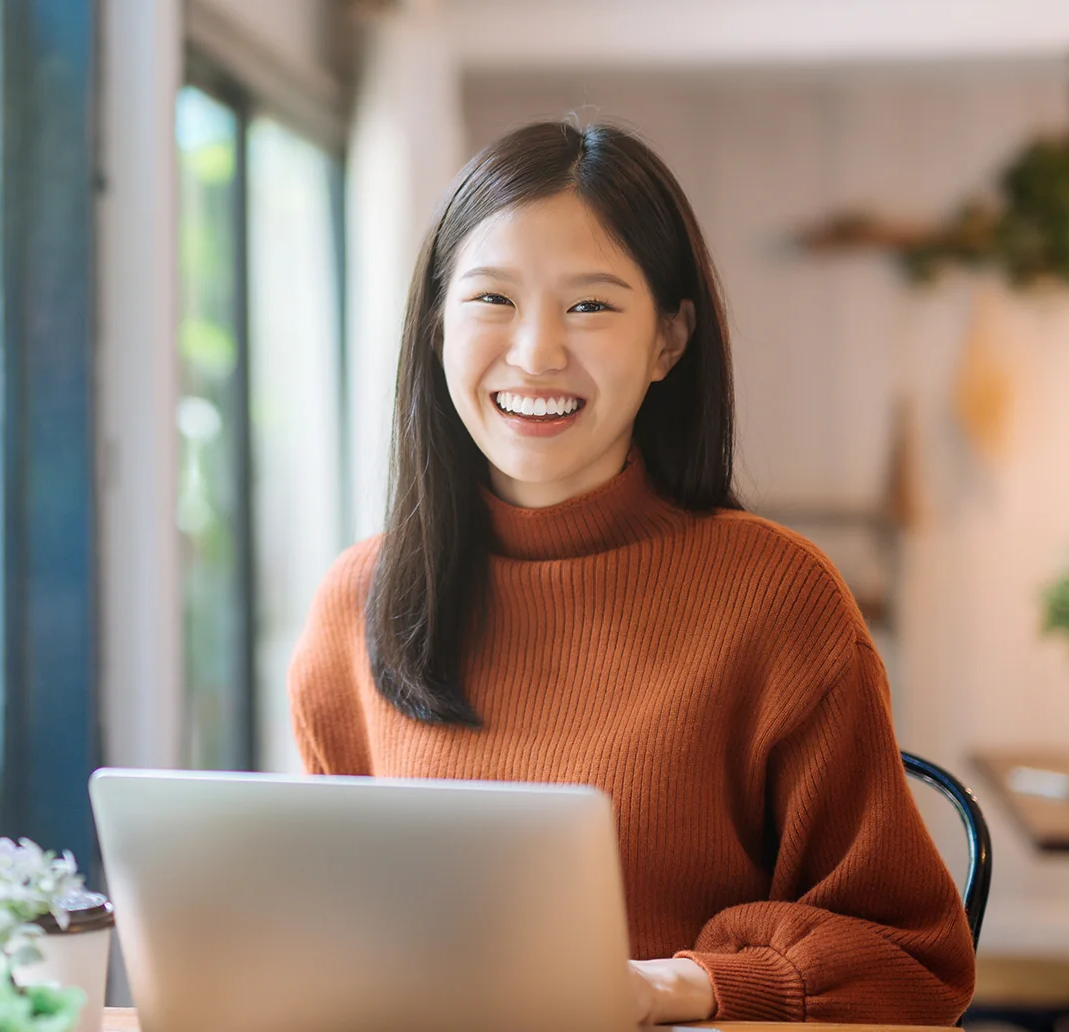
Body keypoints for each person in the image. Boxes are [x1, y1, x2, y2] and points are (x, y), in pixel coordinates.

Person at [289, 121, 973, 1026]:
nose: (535, 353)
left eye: (590, 307)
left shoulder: (776, 599)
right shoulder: (357, 601)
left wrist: (674, 985)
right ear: (436, 325)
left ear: (669, 341)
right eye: (492, 299)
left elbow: (913, 959)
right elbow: (318, 917)